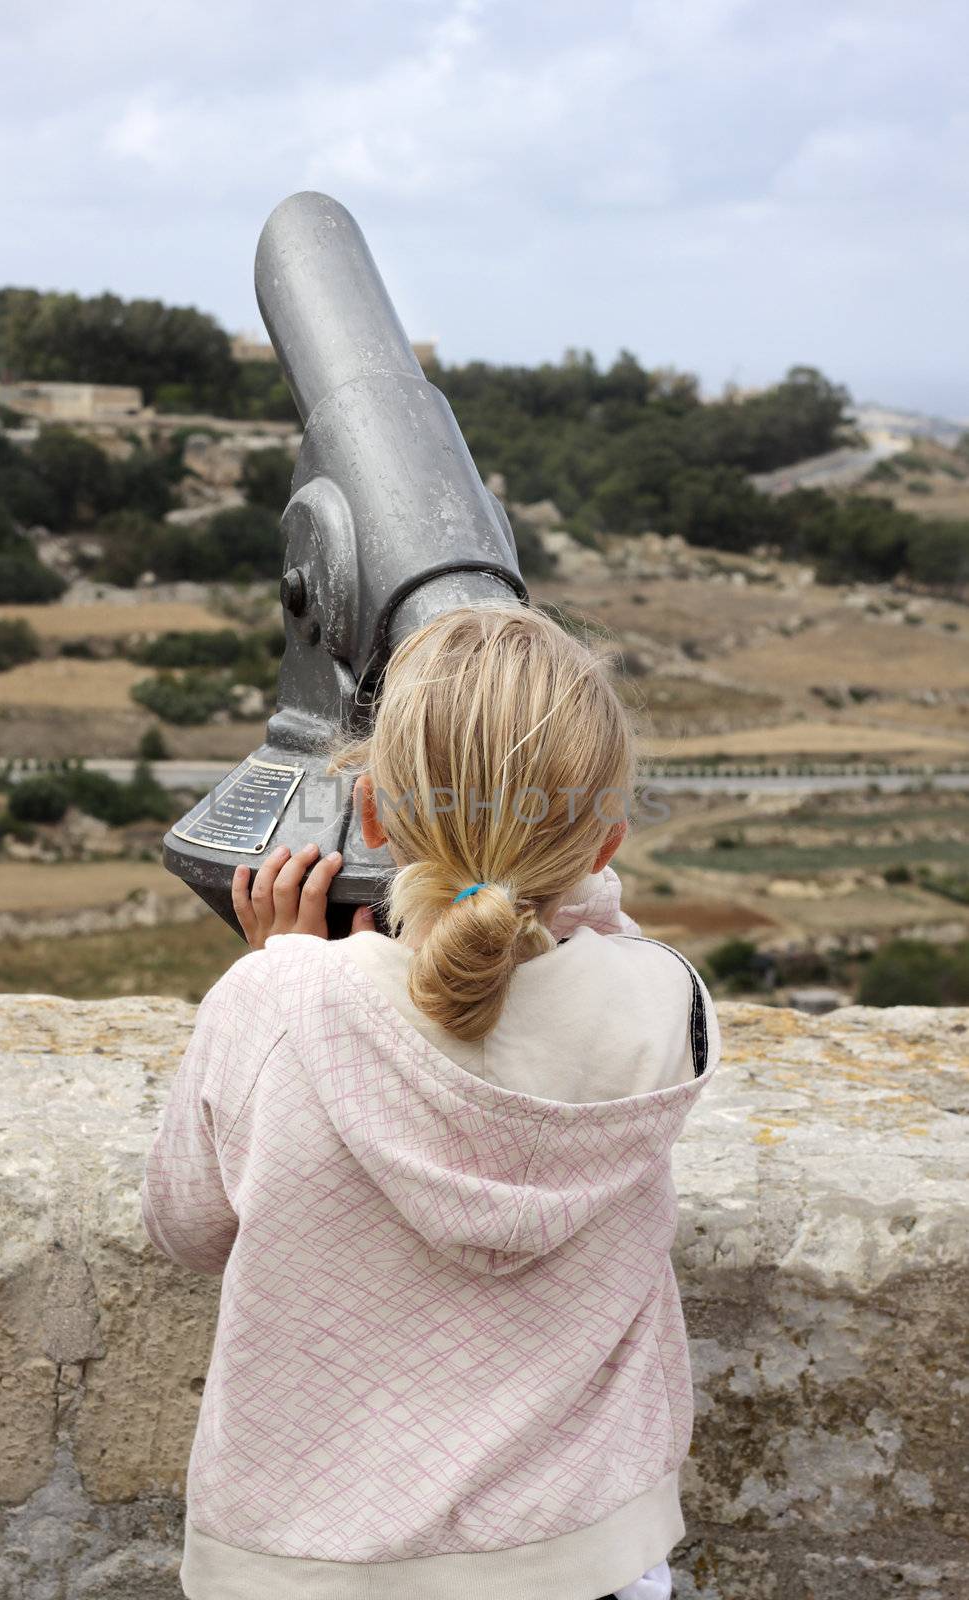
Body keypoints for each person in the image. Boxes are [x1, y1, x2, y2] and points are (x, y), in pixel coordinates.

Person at [141, 601, 720, 1600]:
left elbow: (186, 1227)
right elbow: (590, 945)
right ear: (604, 846)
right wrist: (547, 867)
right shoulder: (666, 1002)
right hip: (582, 1560)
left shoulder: (277, 1003)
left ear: (368, 815)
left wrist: (287, 963)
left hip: (315, 1569)